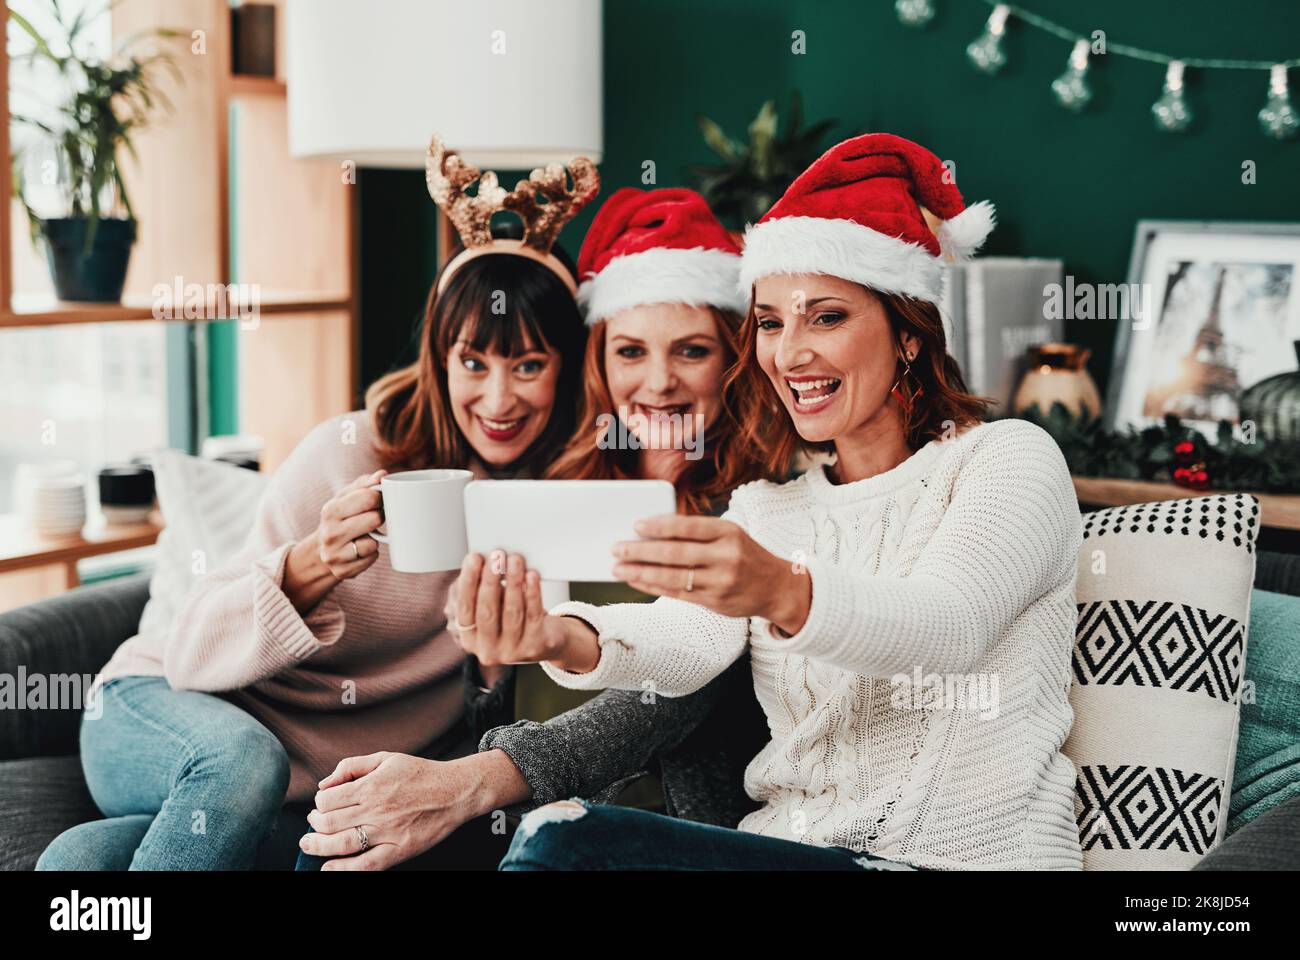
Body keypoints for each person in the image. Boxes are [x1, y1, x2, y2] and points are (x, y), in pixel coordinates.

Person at [465, 133, 1086, 871]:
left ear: (908, 332)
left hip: (957, 864)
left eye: (826, 317)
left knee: (564, 843)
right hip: (786, 851)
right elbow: (684, 645)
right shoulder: (768, 507)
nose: (790, 354)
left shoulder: (1004, 459)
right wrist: (553, 636)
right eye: (769, 322)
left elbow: (946, 628)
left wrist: (783, 591)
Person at [36, 136, 596, 871]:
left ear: (566, 369)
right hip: (158, 709)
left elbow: (490, 734)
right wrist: (309, 566)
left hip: (298, 792)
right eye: (473, 362)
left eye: (529, 365)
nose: (498, 399)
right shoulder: (353, 450)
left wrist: (492, 661)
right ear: (439, 359)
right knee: (242, 763)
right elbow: (192, 647)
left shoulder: (558, 507)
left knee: (91, 859)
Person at [296, 188, 777, 869]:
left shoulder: (758, 503)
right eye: (631, 352)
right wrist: (495, 658)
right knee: (332, 850)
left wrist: (468, 781)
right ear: (600, 362)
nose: (659, 381)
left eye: (692, 351)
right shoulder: (563, 482)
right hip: (524, 811)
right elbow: (504, 707)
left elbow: (672, 694)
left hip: (655, 825)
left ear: (732, 357)